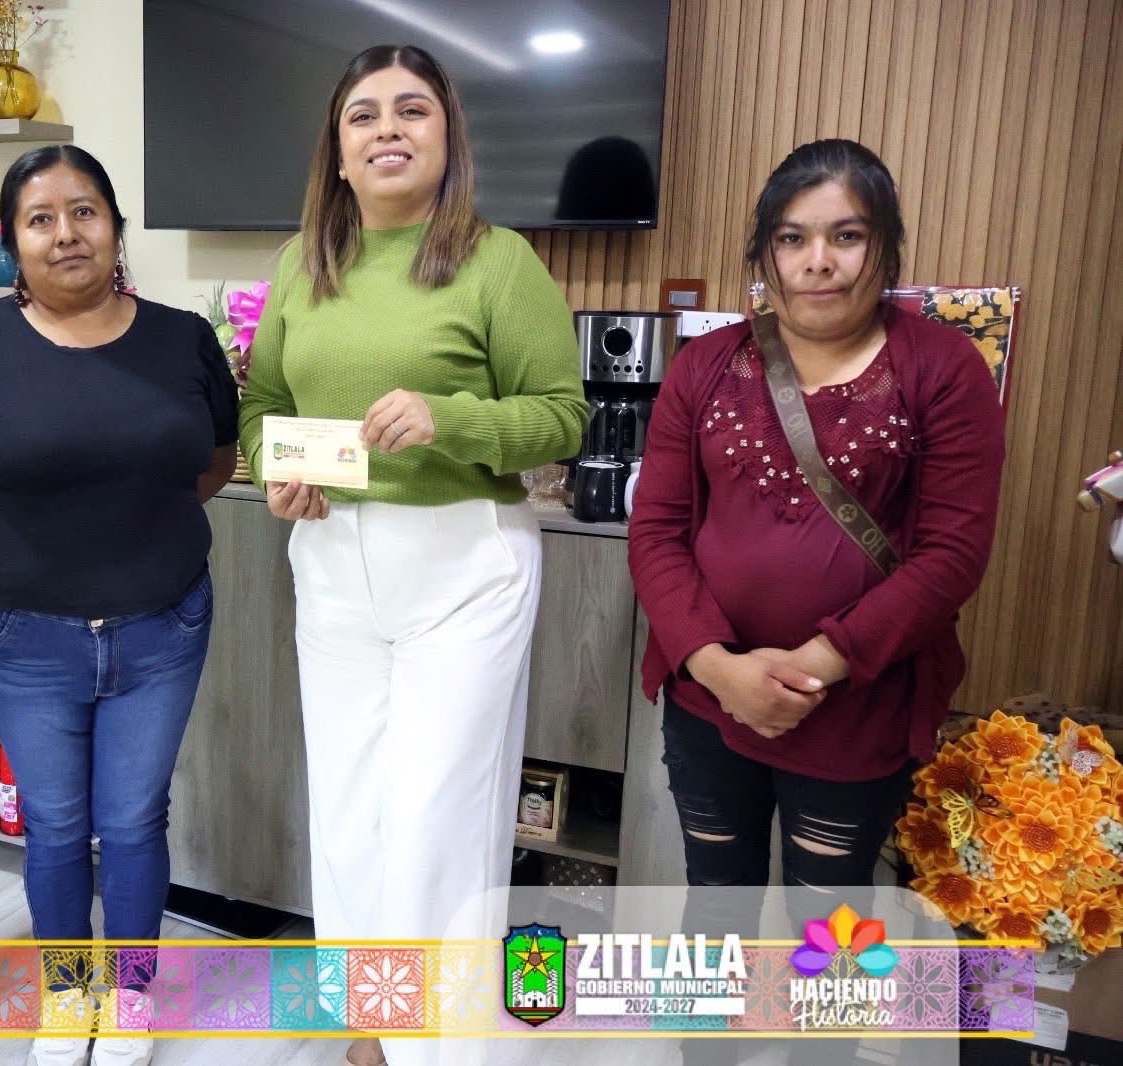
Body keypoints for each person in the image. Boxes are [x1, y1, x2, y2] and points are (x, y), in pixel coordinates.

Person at [238, 44, 588, 1066]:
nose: (387, 129)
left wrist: (451, 418)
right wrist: (277, 468)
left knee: (441, 809)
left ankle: (445, 1044)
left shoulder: (498, 261)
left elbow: (561, 418)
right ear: (337, 149)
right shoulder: (301, 264)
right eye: (364, 115)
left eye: (411, 110)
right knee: (349, 803)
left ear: (447, 136)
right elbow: (263, 406)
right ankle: (375, 1021)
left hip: (462, 564)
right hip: (330, 556)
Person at [628, 139, 1005, 1065]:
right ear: (766, 252)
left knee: (833, 925)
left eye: (846, 235)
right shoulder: (705, 365)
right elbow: (657, 531)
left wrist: (819, 664)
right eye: (793, 238)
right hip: (710, 700)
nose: (818, 261)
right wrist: (716, 666)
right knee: (714, 899)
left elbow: (953, 554)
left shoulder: (942, 367)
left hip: (856, 702)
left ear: (885, 246)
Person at [0, 144, 238, 1066]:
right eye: (41, 218)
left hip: (162, 623)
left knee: (133, 819)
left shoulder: (183, 340)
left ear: (116, 228)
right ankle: (66, 994)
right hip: (22, 631)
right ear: (13, 241)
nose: (66, 233)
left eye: (85, 211)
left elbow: (213, 462)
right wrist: (13, 542)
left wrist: (133, 529)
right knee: (53, 823)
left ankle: (128, 996)